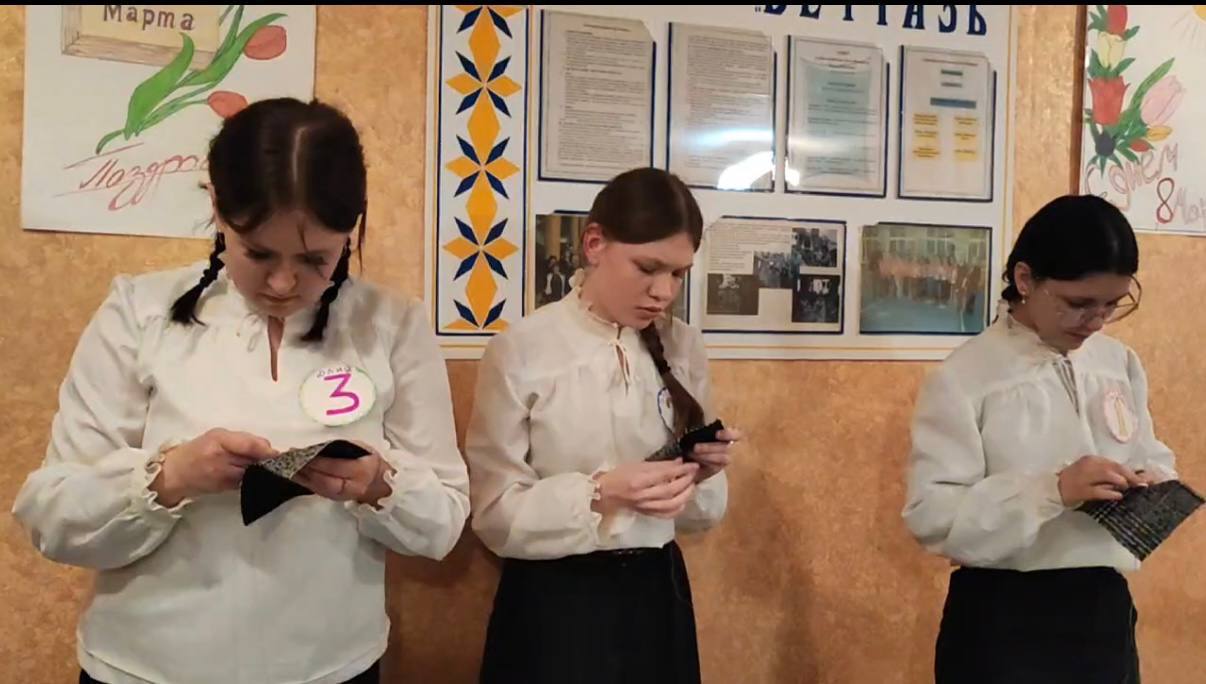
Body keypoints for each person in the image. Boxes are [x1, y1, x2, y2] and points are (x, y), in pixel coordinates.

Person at [11, 98, 470, 684]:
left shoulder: (394, 325)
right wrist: (170, 477)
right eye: (257, 253)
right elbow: (51, 515)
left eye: (316, 259)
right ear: (217, 210)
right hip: (144, 667)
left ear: (350, 231)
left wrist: (381, 485)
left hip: (330, 667)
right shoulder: (138, 312)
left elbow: (444, 522)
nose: (282, 282)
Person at [466, 167, 742, 683]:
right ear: (594, 243)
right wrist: (600, 493)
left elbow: (700, 518)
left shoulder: (683, 346)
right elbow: (493, 513)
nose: (663, 291)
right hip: (553, 602)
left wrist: (699, 475)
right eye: (648, 267)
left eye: (678, 274)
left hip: (657, 593)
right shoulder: (522, 348)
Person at [903, 194, 1175, 683]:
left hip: (1104, 609)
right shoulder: (966, 376)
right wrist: (1052, 491)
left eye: (1112, 305)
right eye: (1079, 304)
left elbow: (1146, 450)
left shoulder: (1116, 363)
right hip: (1004, 618)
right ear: (1025, 279)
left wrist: (1149, 480)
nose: (1096, 321)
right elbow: (933, 516)